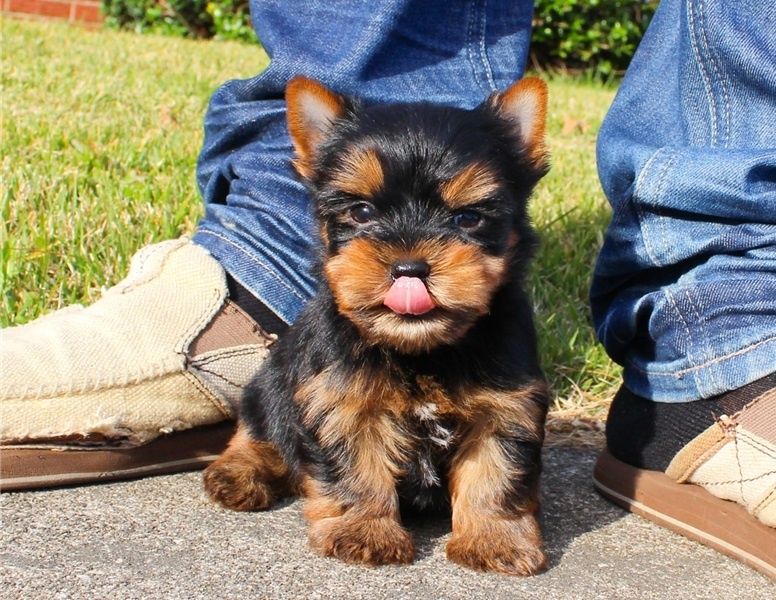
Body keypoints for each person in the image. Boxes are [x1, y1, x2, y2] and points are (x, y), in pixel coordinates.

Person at [1, 0, 773, 577]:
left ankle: (724, 314)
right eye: (362, 214)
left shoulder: (506, 350)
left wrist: (495, 521)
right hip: (315, 398)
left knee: (498, 441)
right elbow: (331, 418)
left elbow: (504, 433)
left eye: (467, 220)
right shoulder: (337, 342)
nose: (408, 260)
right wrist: (355, 513)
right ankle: (256, 365)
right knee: (280, 391)